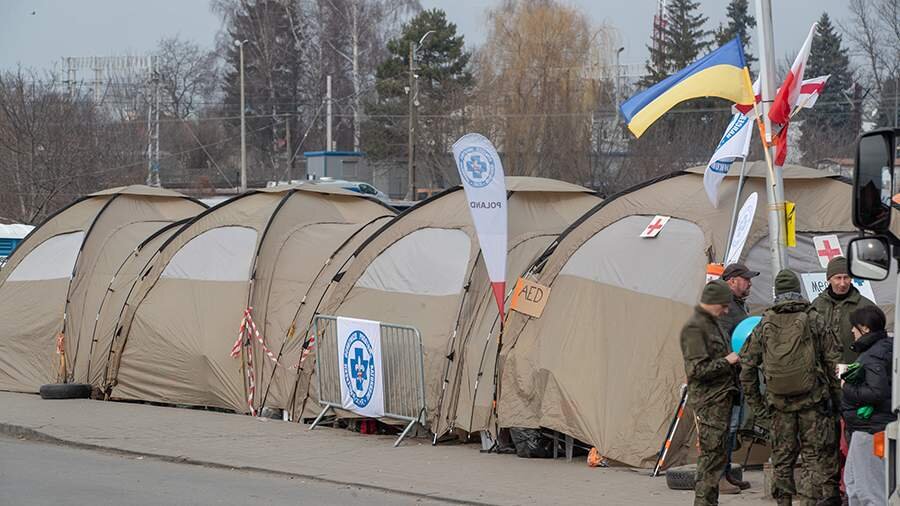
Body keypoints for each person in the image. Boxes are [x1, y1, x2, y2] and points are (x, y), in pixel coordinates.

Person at [740, 270, 842, 506]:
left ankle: (783, 502)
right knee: (812, 457)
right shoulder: (814, 317)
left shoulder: (765, 321)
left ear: (777, 292)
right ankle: (808, 501)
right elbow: (832, 362)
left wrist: (758, 406)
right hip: (812, 403)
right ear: (799, 290)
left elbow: (746, 366)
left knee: (782, 459)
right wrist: (837, 401)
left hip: (778, 405)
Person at [680, 279, 742, 504]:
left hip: (721, 401)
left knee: (716, 461)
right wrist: (727, 362)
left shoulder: (713, 324)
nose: (726, 310)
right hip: (709, 404)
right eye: (724, 305)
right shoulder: (695, 330)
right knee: (709, 462)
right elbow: (696, 370)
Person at [842, 305, 891, 505]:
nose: (852, 331)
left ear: (865, 328)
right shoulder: (883, 349)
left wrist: (846, 386)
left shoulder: (873, 356)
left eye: (854, 327)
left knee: (868, 489)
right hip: (868, 428)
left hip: (870, 429)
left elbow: (876, 392)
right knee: (854, 482)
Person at [812, 256, 876, 364]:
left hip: (855, 372)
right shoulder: (816, 305)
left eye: (846, 277)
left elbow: (876, 343)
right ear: (828, 279)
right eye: (838, 278)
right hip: (826, 375)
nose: (842, 283)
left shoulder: (866, 307)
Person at [718, 263, 760, 337]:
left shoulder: (739, 303)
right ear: (733, 281)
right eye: (746, 279)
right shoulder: (723, 305)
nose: (750, 283)